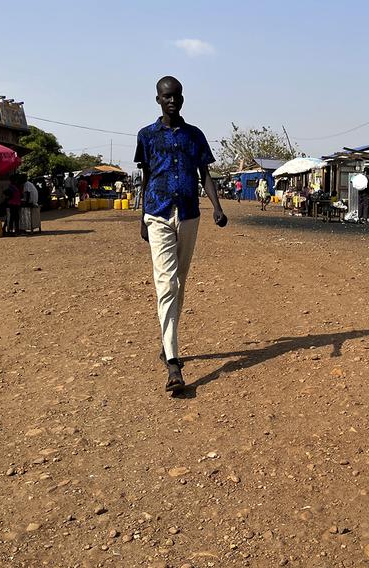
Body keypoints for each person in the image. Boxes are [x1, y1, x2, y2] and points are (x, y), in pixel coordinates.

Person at [135, 75, 227, 395]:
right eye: (166, 96)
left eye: (177, 95)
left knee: (180, 281)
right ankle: (173, 362)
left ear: (183, 98)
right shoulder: (146, 136)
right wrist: (141, 218)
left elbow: (206, 175)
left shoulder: (195, 136)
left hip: (189, 215)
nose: (172, 100)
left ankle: (166, 341)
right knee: (167, 283)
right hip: (157, 213)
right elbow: (146, 178)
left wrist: (217, 207)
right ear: (158, 100)